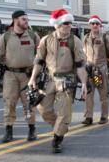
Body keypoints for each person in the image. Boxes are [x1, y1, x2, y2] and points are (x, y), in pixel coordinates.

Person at [28, 9, 87, 153]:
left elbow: (80, 66)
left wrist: (84, 83)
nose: (68, 26)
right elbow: (39, 61)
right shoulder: (46, 40)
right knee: (43, 109)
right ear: (57, 25)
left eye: (69, 23)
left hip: (67, 80)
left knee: (63, 111)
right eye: (65, 23)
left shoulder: (75, 41)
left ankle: (57, 138)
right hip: (49, 79)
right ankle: (62, 126)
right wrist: (32, 79)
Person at [0, 10, 40, 143]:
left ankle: (31, 130)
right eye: (23, 19)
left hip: (28, 76)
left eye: (27, 19)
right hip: (10, 75)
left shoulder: (33, 36)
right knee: (9, 103)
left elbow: (42, 54)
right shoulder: (6, 37)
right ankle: (8, 131)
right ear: (15, 20)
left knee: (28, 103)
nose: (26, 21)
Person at [81, 15, 109, 125]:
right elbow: (82, 54)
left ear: (100, 25)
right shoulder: (86, 37)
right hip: (88, 70)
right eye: (92, 23)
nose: (95, 25)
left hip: (100, 71)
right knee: (88, 94)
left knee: (103, 94)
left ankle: (104, 116)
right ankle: (88, 117)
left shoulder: (105, 37)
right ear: (89, 25)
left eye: (97, 23)